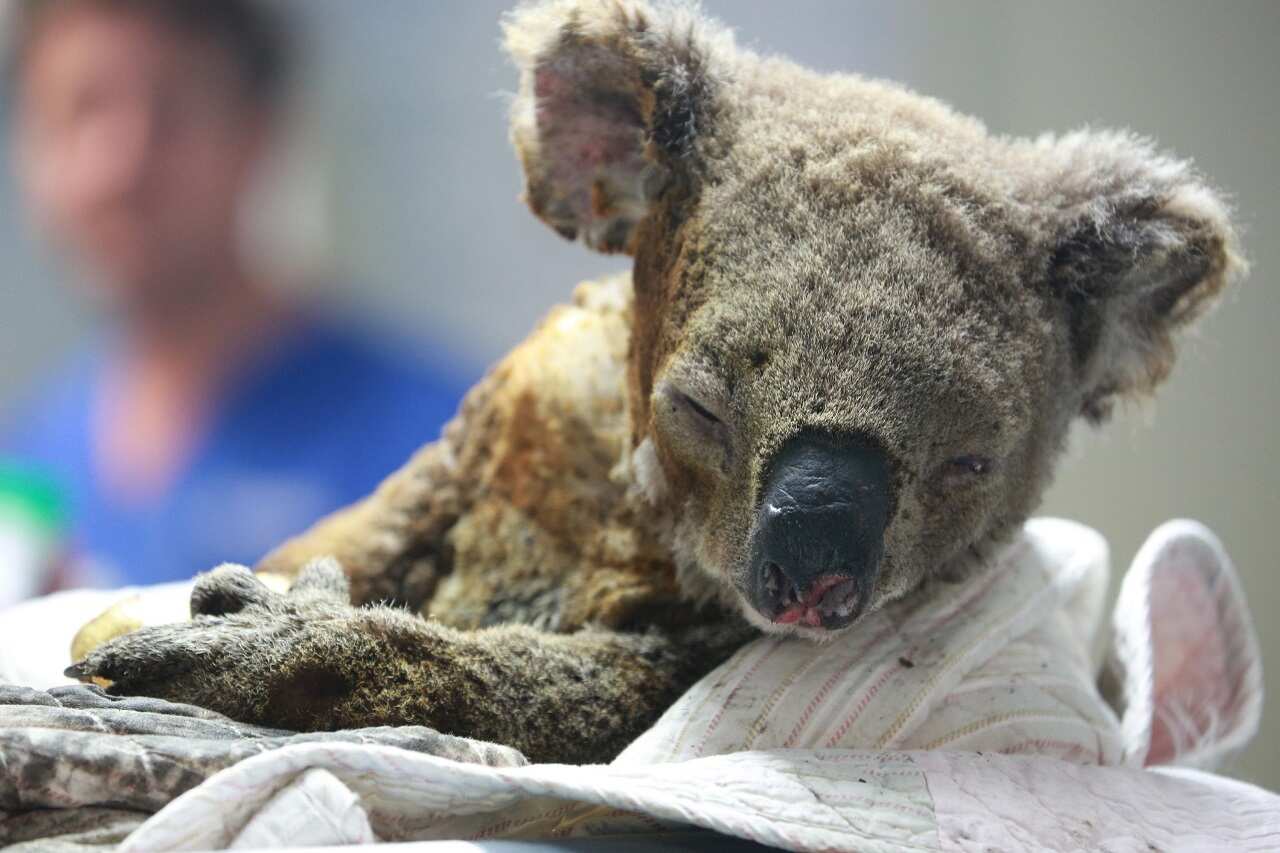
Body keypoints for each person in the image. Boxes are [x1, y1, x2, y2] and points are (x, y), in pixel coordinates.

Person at [0, 0, 469, 594]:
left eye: (169, 111)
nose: (117, 166)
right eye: (79, 109)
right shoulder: (29, 468)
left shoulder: (438, 447)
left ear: (260, 132)